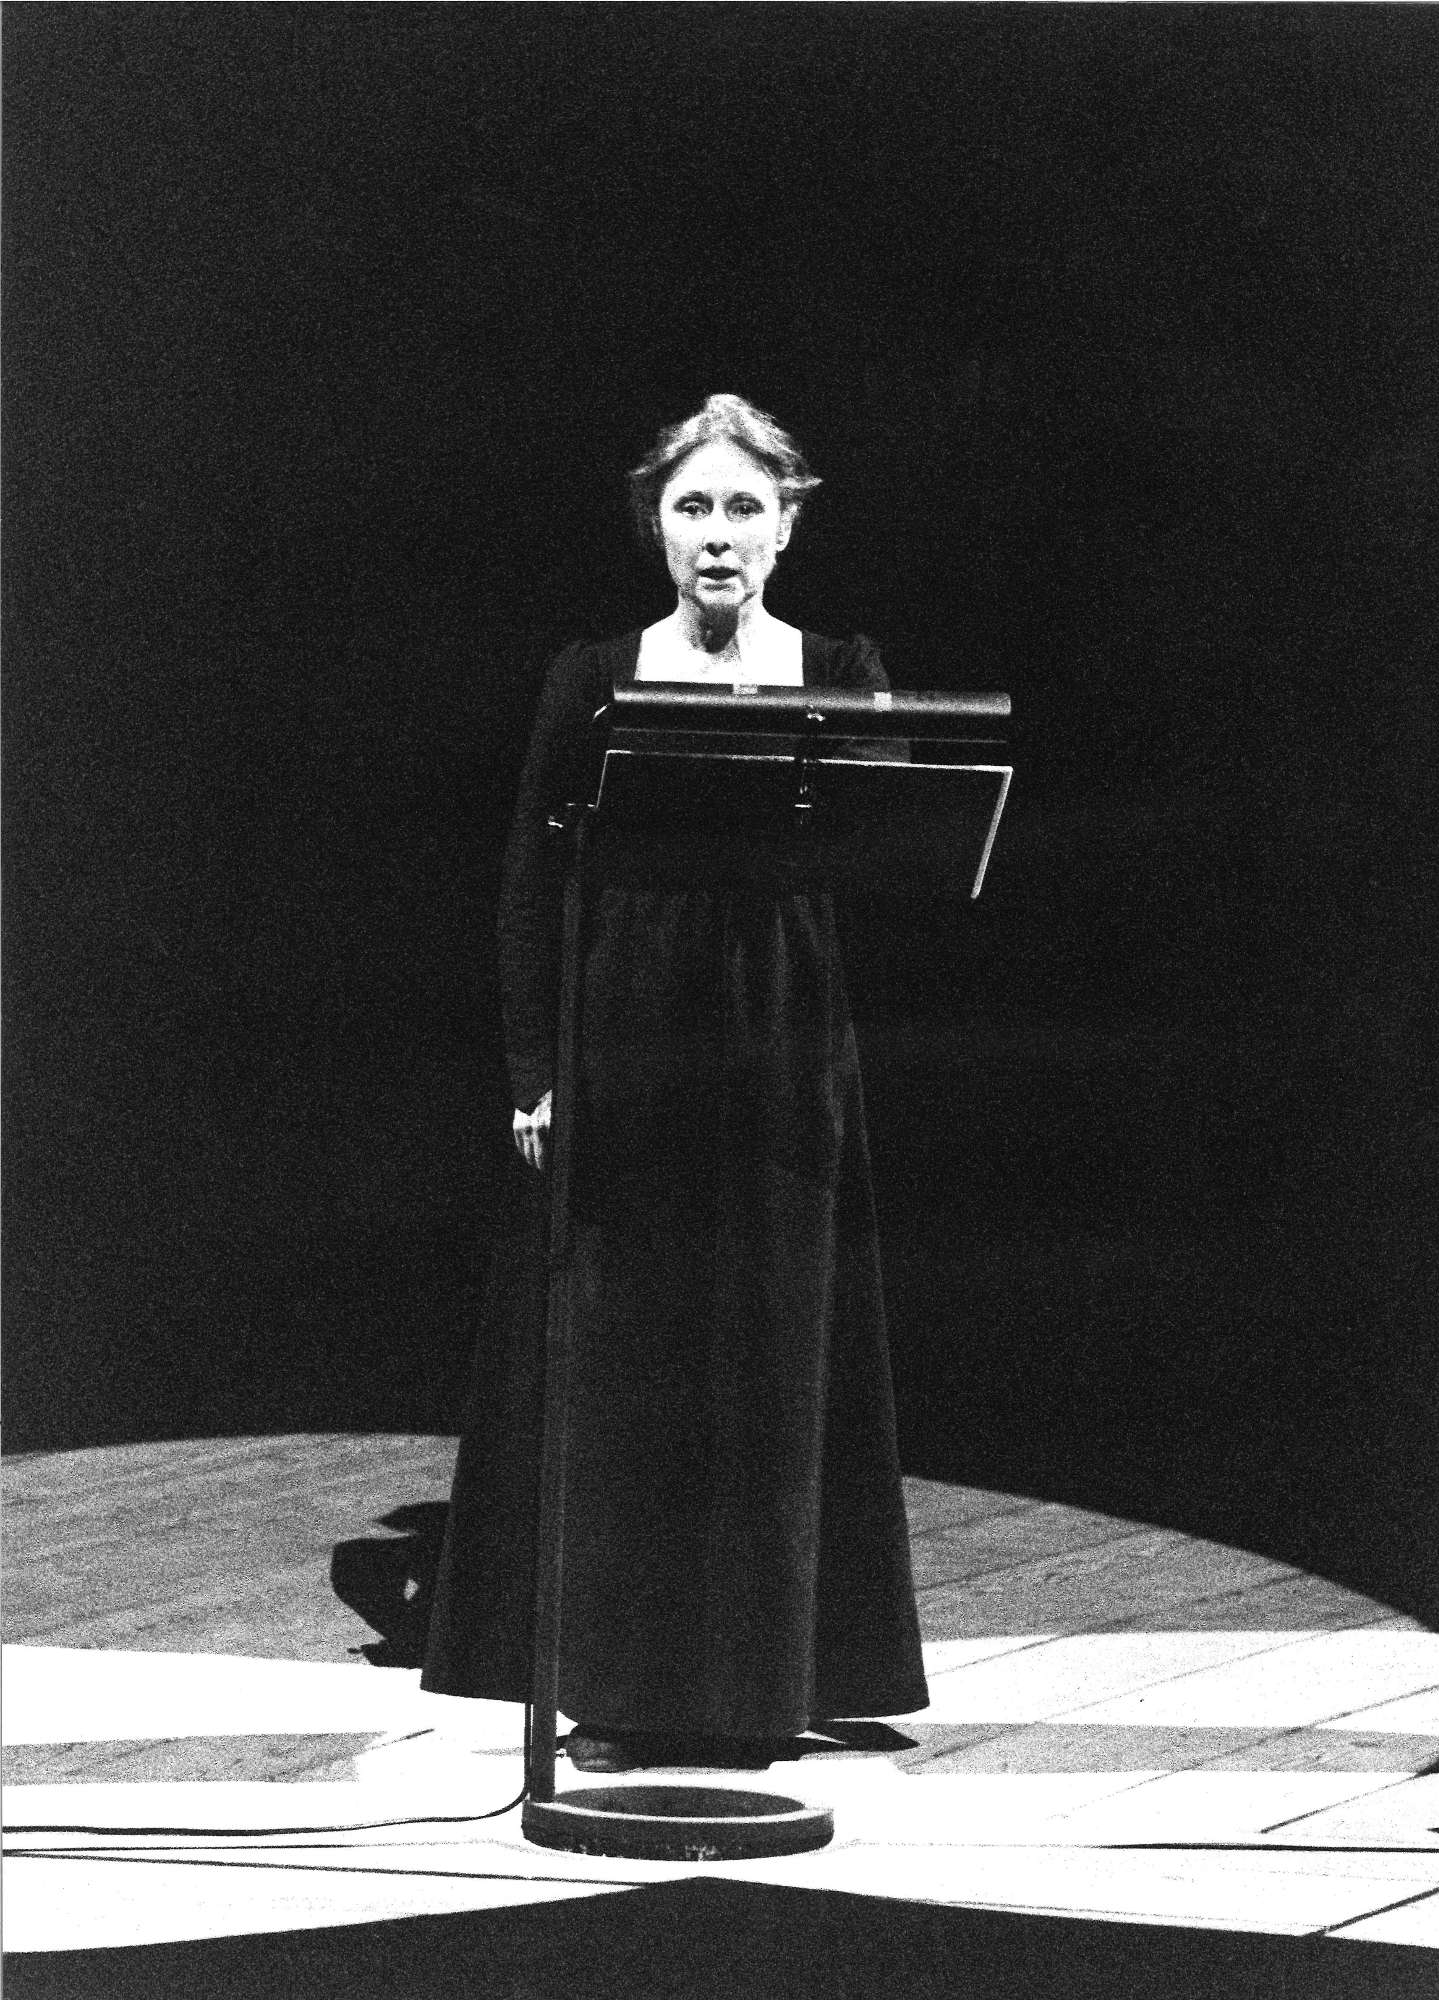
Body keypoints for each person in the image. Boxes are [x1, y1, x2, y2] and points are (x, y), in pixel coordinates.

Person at [421, 394, 929, 1771]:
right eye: (692, 506)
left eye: (744, 507)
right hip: (627, 1038)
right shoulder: (594, 675)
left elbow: (894, 849)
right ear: (656, 526)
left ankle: (782, 1675)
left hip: (780, 1038)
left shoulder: (840, 666)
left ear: (786, 527)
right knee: (633, 1368)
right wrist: (534, 1072)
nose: (718, 534)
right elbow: (529, 881)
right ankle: (629, 1688)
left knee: (776, 1356)